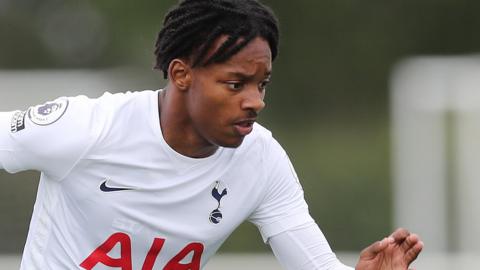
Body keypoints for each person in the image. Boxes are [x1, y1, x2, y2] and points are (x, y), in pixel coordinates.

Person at [0, 0, 423, 269]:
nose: (255, 101)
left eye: (262, 85)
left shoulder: (261, 159)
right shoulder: (89, 126)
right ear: (182, 74)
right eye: (236, 84)